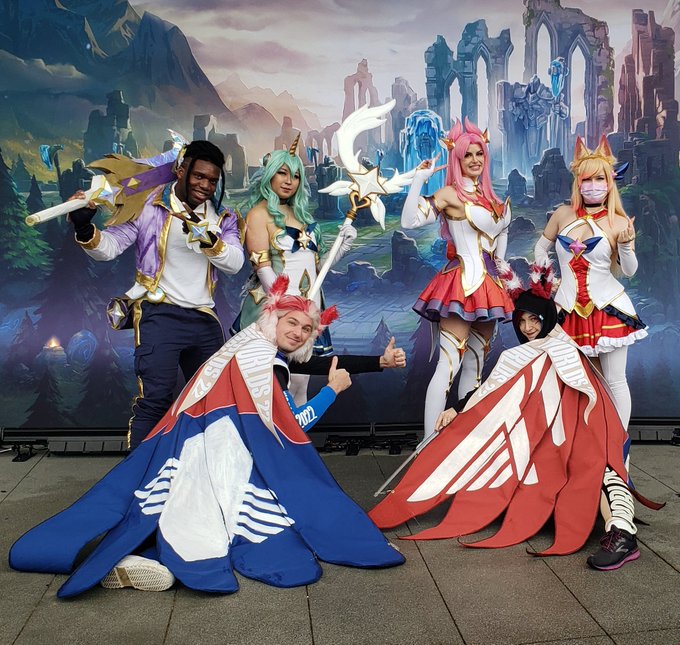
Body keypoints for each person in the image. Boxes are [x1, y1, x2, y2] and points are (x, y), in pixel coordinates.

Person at [9, 276, 405, 597]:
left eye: (307, 328)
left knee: (163, 511)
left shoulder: (250, 344)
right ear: (273, 319)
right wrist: (332, 391)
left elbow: (312, 362)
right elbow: (294, 426)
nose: (300, 333)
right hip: (223, 456)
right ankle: (151, 560)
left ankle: (135, 555)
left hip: (189, 444)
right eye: (292, 323)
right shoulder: (264, 363)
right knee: (264, 521)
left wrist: (378, 362)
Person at [369, 261, 659, 571]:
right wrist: (458, 408)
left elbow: (587, 393)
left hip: (579, 426)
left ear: (547, 317)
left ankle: (622, 531)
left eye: (534, 319)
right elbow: (494, 390)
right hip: (539, 438)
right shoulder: (517, 355)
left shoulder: (566, 348)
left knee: (596, 462)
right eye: (521, 321)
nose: (528, 328)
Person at [67, 140, 245, 450]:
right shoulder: (149, 207)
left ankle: (203, 469)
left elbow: (235, 262)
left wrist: (207, 238)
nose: (205, 186)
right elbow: (109, 248)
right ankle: (140, 473)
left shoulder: (223, 218)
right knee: (157, 399)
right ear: (180, 171)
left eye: (212, 180)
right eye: (199, 176)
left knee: (214, 400)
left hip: (203, 320)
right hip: (160, 315)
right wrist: (85, 230)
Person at [400, 118, 513, 439]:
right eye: (467, 155)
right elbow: (409, 221)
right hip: (461, 286)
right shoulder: (450, 194)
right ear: (457, 159)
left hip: (489, 290)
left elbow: (500, 250)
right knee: (447, 366)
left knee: (475, 370)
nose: (475, 160)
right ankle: (428, 445)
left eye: (479, 154)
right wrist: (418, 181)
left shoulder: (493, 199)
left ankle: (465, 445)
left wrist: (506, 280)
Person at [231, 138, 357, 404]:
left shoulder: (303, 217)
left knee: (300, 383)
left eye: (296, 175)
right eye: (282, 173)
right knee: (270, 386)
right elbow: (262, 267)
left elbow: (317, 268)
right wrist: (287, 309)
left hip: (308, 308)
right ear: (270, 174)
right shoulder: (258, 214)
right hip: (273, 312)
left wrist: (342, 247)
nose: (289, 181)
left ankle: (295, 430)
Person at [534, 136, 647, 429]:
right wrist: (548, 278)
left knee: (614, 380)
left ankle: (618, 445)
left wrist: (626, 245)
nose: (593, 184)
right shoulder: (562, 214)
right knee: (572, 379)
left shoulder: (619, 221)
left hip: (608, 308)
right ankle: (580, 441)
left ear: (610, 182)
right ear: (578, 181)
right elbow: (540, 249)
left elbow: (630, 271)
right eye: (587, 178)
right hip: (566, 310)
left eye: (600, 178)